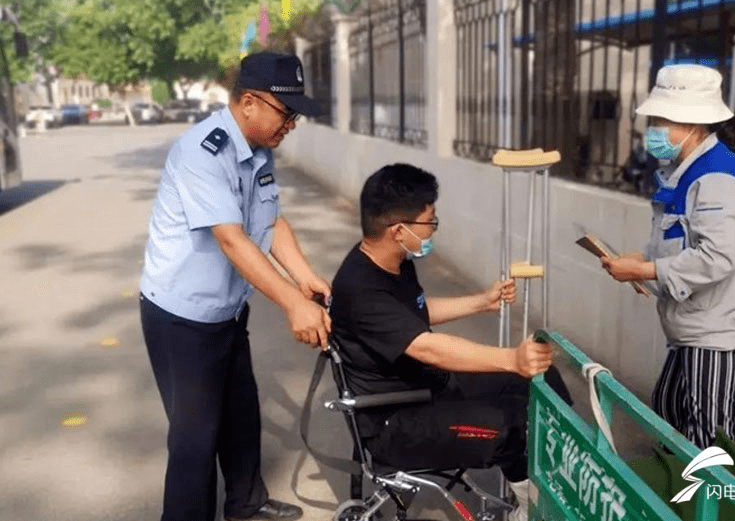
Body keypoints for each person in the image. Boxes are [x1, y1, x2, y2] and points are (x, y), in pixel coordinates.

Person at [140, 51, 331, 521]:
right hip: (181, 317)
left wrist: (306, 279)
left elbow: (270, 221)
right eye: (287, 113)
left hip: (225, 311)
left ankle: (246, 504)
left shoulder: (258, 150)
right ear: (249, 102)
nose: (291, 124)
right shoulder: (201, 151)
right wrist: (292, 303)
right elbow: (231, 238)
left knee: (241, 417)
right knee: (195, 438)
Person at [329, 163, 572, 521]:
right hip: (395, 422)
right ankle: (534, 511)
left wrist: (480, 302)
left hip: (424, 389)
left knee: (542, 380)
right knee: (513, 425)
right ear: (399, 230)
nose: (433, 230)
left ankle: (559, 480)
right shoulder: (361, 287)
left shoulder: (393, 261)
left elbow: (415, 311)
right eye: (430, 222)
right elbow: (427, 347)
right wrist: (510, 359)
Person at [601, 64, 735, 449]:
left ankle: (715, 508)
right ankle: (678, 502)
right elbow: (680, 241)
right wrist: (640, 260)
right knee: (669, 411)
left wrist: (643, 269)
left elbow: (716, 257)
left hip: (717, 332)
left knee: (709, 441)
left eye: (661, 119)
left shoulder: (719, 178)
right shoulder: (685, 171)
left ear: (692, 123)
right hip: (693, 327)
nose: (653, 128)